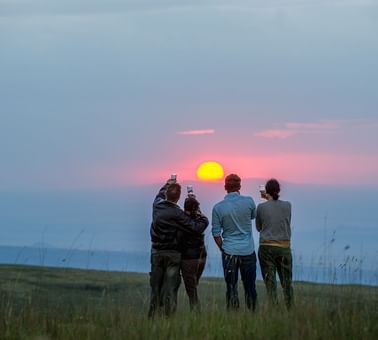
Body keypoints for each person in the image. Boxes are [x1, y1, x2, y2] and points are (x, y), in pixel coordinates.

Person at [148, 178, 209, 318]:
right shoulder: (178, 214)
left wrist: (168, 183)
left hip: (156, 252)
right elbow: (196, 228)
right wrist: (199, 212)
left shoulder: (157, 205)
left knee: (155, 286)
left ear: (166, 194)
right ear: (179, 197)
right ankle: (169, 318)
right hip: (173, 255)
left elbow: (159, 194)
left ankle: (152, 316)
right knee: (171, 288)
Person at [212, 174, 258, 310]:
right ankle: (252, 315)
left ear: (225, 187)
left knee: (231, 287)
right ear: (240, 186)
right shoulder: (249, 201)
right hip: (248, 250)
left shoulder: (218, 207)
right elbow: (253, 216)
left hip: (229, 251)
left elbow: (216, 234)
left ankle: (233, 316)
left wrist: (223, 248)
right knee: (250, 286)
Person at [256, 178, 294, 310]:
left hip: (266, 247)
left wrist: (267, 201)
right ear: (279, 190)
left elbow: (259, 227)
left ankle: (274, 308)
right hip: (284, 247)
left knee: (270, 281)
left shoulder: (261, 207)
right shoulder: (288, 205)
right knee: (287, 282)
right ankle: (290, 308)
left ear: (266, 191)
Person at [178, 196, 208, 311]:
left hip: (188, 259)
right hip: (201, 257)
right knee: (194, 285)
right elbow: (203, 218)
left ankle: (196, 313)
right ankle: (195, 312)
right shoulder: (202, 221)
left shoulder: (181, 221)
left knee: (191, 290)